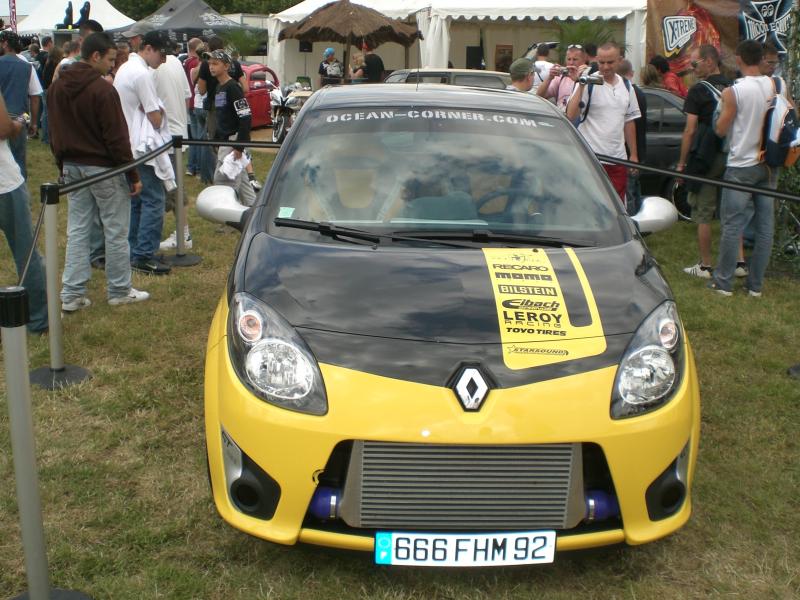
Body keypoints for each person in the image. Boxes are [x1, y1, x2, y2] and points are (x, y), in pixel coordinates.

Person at [48, 32, 149, 310]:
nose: (113, 66)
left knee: (78, 230)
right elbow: (117, 138)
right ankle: (118, 289)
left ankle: (71, 294)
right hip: (104, 169)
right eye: (110, 60)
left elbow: (54, 133)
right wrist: (133, 174)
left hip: (72, 166)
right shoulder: (103, 90)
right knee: (115, 231)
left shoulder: (57, 88)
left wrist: (62, 166)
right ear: (95, 56)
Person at [709, 40, 776, 297]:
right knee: (765, 226)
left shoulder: (733, 91)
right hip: (769, 163)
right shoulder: (776, 85)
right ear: (760, 59)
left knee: (732, 224)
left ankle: (724, 283)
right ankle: (755, 286)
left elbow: (721, 129)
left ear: (738, 59)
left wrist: (719, 114)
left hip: (740, 164)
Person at [675, 45, 748, 280]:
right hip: (731, 154)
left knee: (703, 211)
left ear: (708, 61)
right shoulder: (733, 86)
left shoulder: (697, 91)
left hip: (706, 157)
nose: (691, 68)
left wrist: (681, 163)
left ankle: (705, 265)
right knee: (732, 211)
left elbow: (690, 130)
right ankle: (739, 262)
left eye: (694, 64)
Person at [114, 30, 172, 276]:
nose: (164, 59)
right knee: (153, 201)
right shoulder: (141, 74)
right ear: (148, 48)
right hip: (142, 146)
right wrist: (160, 110)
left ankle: (133, 250)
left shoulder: (125, 69)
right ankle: (143, 255)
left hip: (128, 143)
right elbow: (156, 118)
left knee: (137, 201)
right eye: (162, 52)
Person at [566, 41, 640, 204]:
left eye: (610, 62)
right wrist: (581, 84)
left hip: (617, 160)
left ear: (620, 61)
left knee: (616, 208)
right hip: (591, 159)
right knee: (589, 205)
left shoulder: (627, 86)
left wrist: (633, 155)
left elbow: (629, 121)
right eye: (601, 62)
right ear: (596, 60)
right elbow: (570, 115)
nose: (605, 67)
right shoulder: (588, 84)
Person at [0, 92, 48, 334]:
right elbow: (2, 128)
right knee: (26, 253)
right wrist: (17, 124)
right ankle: (38, 318)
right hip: (4, 182)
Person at [153, 50, 193, 251]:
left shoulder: (151, 69)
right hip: (178, 134)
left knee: (171, 189)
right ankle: (181, 233)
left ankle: (183, 235)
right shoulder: (177, 63)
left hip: (167, 138)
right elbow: (187, 96)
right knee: (173, 188)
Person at [207, 50, 256, 208]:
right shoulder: (218, 87)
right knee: (244, 185)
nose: (211, 67)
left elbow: (245, 116)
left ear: (226, 66)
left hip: (233, 141)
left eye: (215, 63)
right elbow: (220, 115)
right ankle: (253, 210)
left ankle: (227, 216)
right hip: (225, 140)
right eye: (210, 64)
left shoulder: (233, 88)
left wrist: (239, 146)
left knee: (223, 181)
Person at [0, 30, 41, 178]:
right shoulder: (27, 66)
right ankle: (21, 190)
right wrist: (34, 123)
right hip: (21, 116)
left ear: (4, 44)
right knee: (19, 159)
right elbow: (35, 97)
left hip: (2, 117)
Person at [617, 59, 647, 215]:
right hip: (639, 150)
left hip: (627, 152)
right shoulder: (640, 93)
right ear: (632, 73)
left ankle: (632, 223)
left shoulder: (625, 93)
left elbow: (626, 124)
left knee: (627, 193)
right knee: (635, 191)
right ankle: (640, 220)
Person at [536, 44, 582, 111]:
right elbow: (540, 96)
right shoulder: (561, 77)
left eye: (575, 59)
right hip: (563, 118)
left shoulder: (588, 77)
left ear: (583, 60)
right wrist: (550, 77)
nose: (571, 63)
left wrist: (579, 79)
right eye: (569, 59)